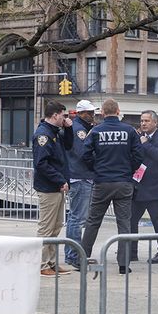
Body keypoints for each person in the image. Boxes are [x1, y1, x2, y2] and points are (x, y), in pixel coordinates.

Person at [81, 98, 143, 275]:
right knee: (124, 223)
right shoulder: (129, 131)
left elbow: (85, 155)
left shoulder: (96, 131)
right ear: (118, 111)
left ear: (102, 113)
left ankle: (83, 258)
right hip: (123, 182)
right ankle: (123, 264)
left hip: (102, 182)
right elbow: (139, 155)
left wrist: (96, 168)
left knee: (93, 221)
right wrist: (128, 169)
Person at [32, 100, 73, 277]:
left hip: (56, 186)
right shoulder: (44, 135)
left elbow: (69, 146)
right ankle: (42, 265)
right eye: (63, 116)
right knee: (47, 228)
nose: (65, 119)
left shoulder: (55, 132)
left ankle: (52, 262)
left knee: (56, 226)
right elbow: (41, 164)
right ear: (55, 115)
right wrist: (59, 180)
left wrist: (69, 128)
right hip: (49, 187)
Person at [130, 110, 158, 264]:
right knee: (131, 220)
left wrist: (145, 143)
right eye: (141, 121)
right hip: (138, 186)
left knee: (157, 221)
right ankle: (132, 252)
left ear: (155, 122)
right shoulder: (138, 138)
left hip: (154, 188)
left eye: (147, 121)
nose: (143, 124)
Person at [64, 100, 98, 269]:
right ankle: (73, 255)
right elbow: (82, 153)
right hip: (81, 176)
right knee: (77, 219)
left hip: (80, 176)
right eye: (89, 112)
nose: (92, 115)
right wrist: (96, 166)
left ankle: (72, 254)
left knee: (75, 218)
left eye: (92, 112)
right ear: (80, 113)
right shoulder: (79, 130)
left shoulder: (81, 127)